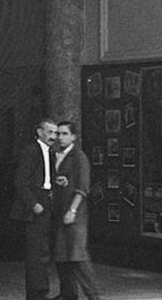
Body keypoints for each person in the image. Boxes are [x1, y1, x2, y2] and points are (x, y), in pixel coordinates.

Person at [51, 121, 101, 300]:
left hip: (74, 213)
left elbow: (83, 187)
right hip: (59, 211)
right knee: (61, 255)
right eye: (58, 134)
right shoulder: (56, 155)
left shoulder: (79, 157)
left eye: (64, 134)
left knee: (77, 255)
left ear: (73, 136)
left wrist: (72, 210)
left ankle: (93, 295)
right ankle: (68, 295)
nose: (60, 137)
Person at [10, 117, 57, 300]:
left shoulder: (50, 153)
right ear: (40, 132)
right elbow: (20, 181)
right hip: (36, 205)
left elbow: (45, 178)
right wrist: (33, 203)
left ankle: (42, 292)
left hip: (46, 201)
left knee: (44, 251)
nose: (53, 136)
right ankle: (36, 295)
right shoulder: (31, 151)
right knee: (36, 253)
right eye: (49, 132)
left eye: (55, 132)